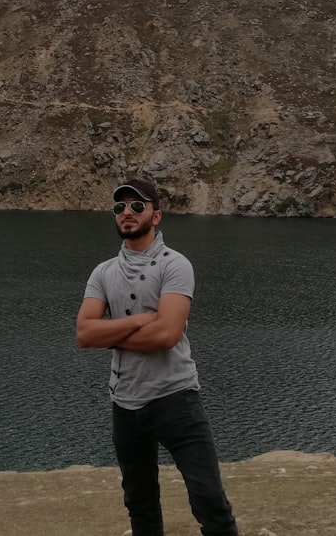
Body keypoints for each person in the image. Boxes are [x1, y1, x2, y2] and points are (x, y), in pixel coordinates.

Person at [76, 178, 239, 536]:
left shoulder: (175, 265)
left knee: (209, 501)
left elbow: (167, 335)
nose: (127, 213)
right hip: (126, 404)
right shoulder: (103, 272)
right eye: (120, 207)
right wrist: (139, 321)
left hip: (175, 397)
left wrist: (113, 333)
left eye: (137, 206)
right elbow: (84, 333)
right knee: (140, 504)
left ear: (157, 215)